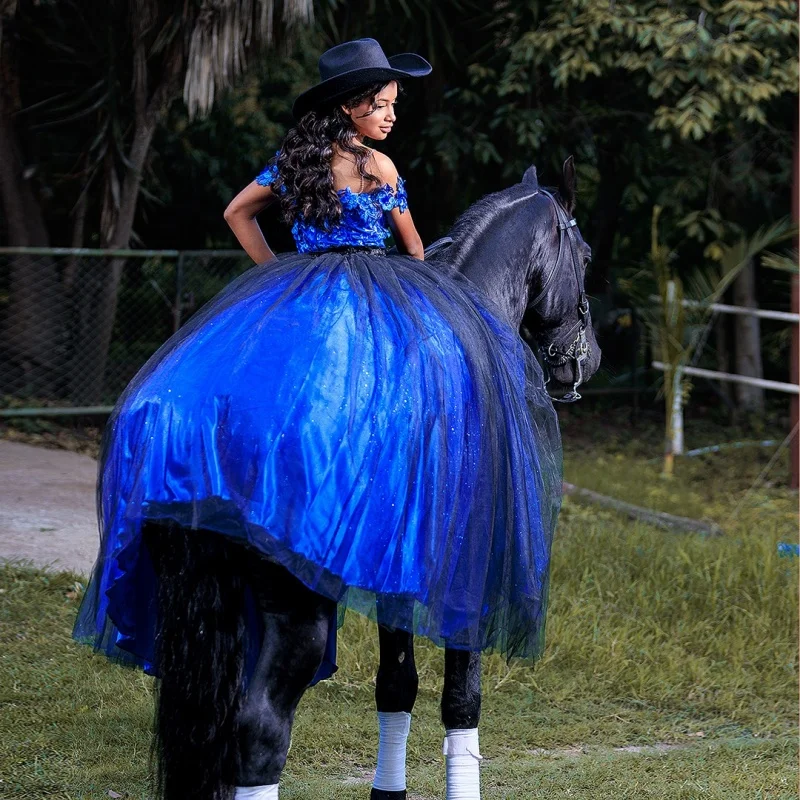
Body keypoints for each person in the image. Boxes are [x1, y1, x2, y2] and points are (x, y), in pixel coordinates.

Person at [74, 38, 560, 800]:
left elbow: (237, 212)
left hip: (297, 297)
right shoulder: (380, 170)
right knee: (408, 393)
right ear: (350, 106)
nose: (390, 116)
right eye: (382, 104)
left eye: (393, 105)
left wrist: (275, 272)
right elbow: (417, 254)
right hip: (374, 301)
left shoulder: (293, 165)